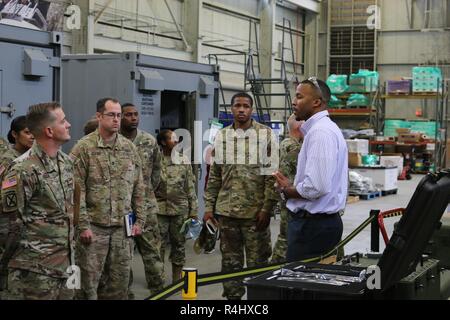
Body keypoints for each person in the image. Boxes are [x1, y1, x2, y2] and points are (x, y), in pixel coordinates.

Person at [70, 97, 151, 300]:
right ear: (99, 116)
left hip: (122, 230)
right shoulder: (83, 148)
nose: (116, 120)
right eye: (111, 115)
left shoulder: (129, 148)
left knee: (119, 285)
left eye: (118, 115)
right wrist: (82, 226)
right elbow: (75, 191)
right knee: (88, 286)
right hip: (93, 229)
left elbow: (139, 187)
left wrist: (140, 221)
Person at [204, 92, 278, 300]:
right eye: (238, 106)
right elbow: (215, 176)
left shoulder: (265, 135)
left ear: (252, 109)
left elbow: (272, 176)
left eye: (246, 106)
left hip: (255, 215)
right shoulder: (222, 136)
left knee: (258, 265)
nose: (242, 109)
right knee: (230, 265)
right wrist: (209, 207)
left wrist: (266, 208)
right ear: (232, 109)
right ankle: (233, 301)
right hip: (226, 213)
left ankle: (259, 302)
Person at [0, 102, 74, 299]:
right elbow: (8, 224)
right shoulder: (22, 169)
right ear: (49, 130)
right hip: (33, 272)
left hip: (66, 267)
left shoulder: (66, 163)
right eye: (63, 121)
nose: (68, 124)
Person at [273, 77, 348, 262]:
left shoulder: (320, 133)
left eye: (299, 96)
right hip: (317, 225)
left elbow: (316, 187)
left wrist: (287, 191)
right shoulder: (322, 130)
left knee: (299, 285)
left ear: (316, 102)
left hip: (313, 227)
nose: (293, 101)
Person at [120, 103, 164, 296]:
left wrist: (145, 192)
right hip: (122, 210)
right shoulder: (115, 141)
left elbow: (157, 171)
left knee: (152, 252)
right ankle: (125, 293)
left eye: (136, 114)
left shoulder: (149, 140)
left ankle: (159, 290)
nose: (133, 118)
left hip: (146, 207)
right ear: (120, 117)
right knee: (123, 255)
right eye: (128, 115)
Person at [155, 129, 198, 282]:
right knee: (157, 246)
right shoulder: (155, 161)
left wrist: (194, 211)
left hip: (180, 211)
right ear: (163, 142)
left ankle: (177, 278)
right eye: (173, 139)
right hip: (158, 211)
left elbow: (190, 187)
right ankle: (157, 278)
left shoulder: (183, 160)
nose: (177, 142)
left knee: (179, 245)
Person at [0, 116, 34, 290]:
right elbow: (7, 196)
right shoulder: (9, 159)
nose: (32, 136)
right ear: (14, 134)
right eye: (27, 132)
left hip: (25, 221)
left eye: (34, 132)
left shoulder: (32, 157)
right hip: (9, 221)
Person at [271, 114, 303, 263]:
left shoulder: (284, 143)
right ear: (299, 126)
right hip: (292, 197)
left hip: (286, 196)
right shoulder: (295, 148)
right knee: (287, 238)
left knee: (285, 235)